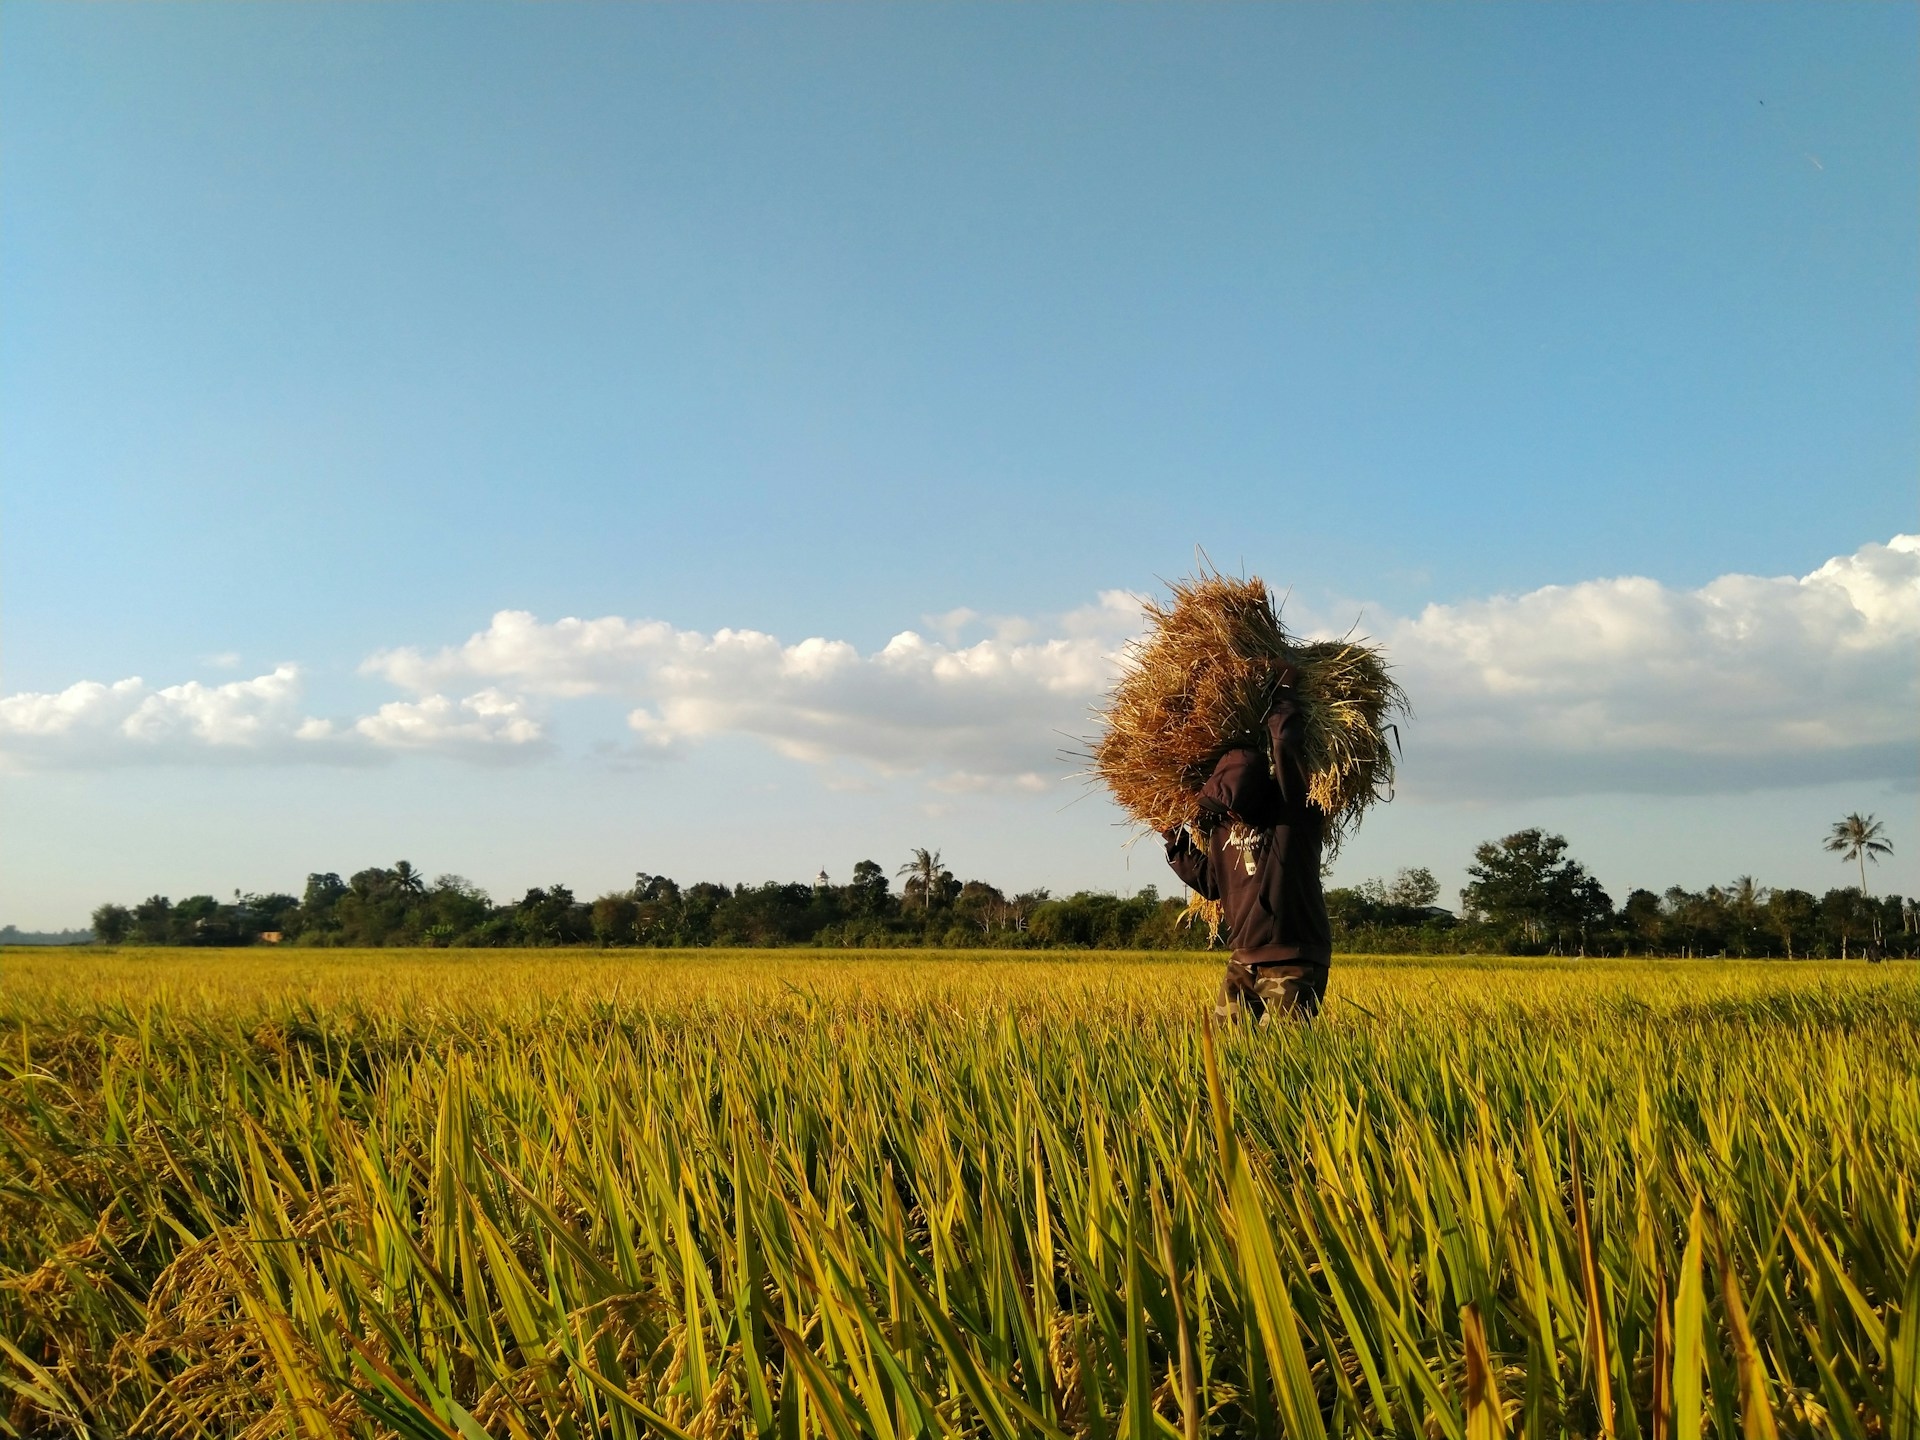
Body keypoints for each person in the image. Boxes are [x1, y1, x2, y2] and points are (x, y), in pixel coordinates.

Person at [1162, 677, 1333, 1022]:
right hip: (1244, 956)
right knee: (1230, 1050)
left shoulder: (1291, 812)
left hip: (1293, 955)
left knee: (1286, 1057)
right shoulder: (1223, 827)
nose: (1233, 813)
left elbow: (1285, 746)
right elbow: (1212, 884)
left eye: (1237, 805)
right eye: (1226, 807)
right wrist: (1174, 842)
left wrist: (1283, 691)